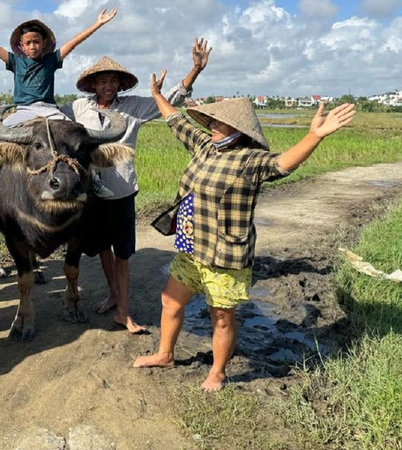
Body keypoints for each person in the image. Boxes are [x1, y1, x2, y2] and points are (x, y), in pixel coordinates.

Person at [133, 71, 355, 392]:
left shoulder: (249, 160)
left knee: (221, 318)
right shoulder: (205, 147)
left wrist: (314, 136)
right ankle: (165, 354)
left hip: (224, 255)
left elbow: (282, 164)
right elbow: (176, 121)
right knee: (170, 303)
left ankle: (218, 372)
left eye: (218, 124)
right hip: (191, 247)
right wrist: (156, 94)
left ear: (236, 131)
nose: (211, 127)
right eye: (211, 122)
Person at [71, 39, 212, 334]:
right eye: (103, 81)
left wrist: (194, 70)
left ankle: (123, 311)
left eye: (113, 81)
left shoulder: (134, 107)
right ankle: (113, 294)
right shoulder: (78, 108)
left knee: (122, 252)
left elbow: (170, 100)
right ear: (93, 85)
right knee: (102, 248)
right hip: (91, 191)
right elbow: (52, 120)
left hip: (121, 189)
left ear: (120, 85)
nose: (108, 86)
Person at [0, 9, 117, 128]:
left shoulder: (52, 59)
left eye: (36, 42)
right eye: (28, 43)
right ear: (22, 46)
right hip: (23, 110)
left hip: (49, 110)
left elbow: (73, 42)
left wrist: (98, 24)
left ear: (44, 43)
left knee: (74, 135)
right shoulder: (15, 61)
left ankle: (93, 177)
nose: (33, 46)